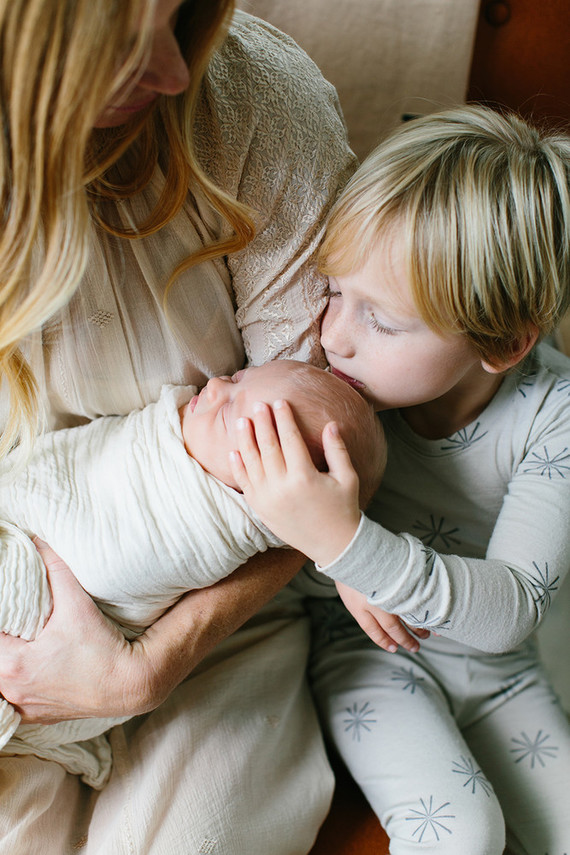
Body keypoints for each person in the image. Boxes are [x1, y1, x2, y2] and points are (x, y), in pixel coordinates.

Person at [0, 1, 359, 851]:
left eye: (180, 14)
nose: (173, 70)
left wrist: (152, 667)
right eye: (126, 41)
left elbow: (330, 456)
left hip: (220, 615)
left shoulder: (253, 102)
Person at [229, 106, 570, 854]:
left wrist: (351, 548)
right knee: (465, 835)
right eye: (332, 290)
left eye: (381, 320)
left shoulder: (556, 414)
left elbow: (512, 610)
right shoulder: (328, 384)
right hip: (370, 656)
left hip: (502, 672)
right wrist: (337, 556)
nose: (334, 334)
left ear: (504, 342)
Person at [0, 359, 383, 789]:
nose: (215, 385)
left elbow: (106, 566)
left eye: (228, 410)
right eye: (237, 378)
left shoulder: (210, 519)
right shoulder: (173, 435)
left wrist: (339, 546)